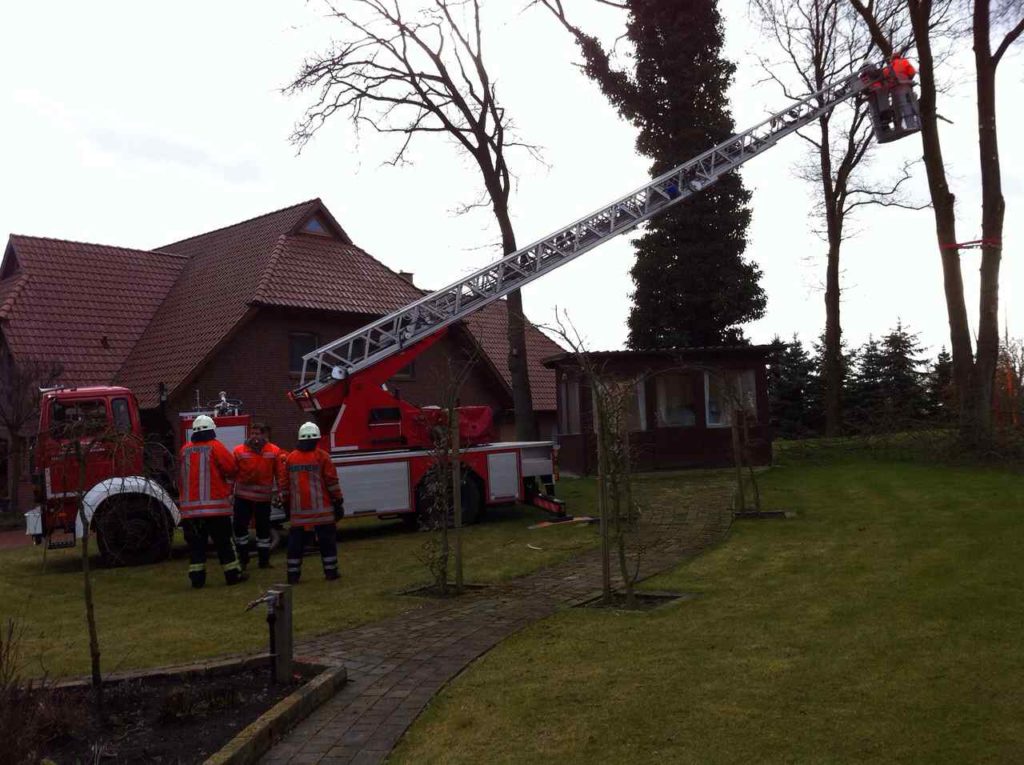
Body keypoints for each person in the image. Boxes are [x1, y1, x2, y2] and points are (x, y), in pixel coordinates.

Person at [179, 415, 246, 588]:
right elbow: (231, 468)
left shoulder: (185, 449)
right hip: (216, 509)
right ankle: (233, 575)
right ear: (211, 429)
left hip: (190, 512)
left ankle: (197, 579)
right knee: (224, 544)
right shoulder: (215, 447)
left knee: (196, 547)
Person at [281, 422, 344, 584]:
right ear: (316, 438)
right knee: (327, 544)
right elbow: (332, 482)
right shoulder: (322, 456)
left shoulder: (291, 458)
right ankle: (331, 572)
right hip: (322, 511)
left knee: (295, 546)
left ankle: (293, 575)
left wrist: (286, 505)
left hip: (299, 514)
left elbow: (285, 485)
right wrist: (338, 500)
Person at [232, 423, 286, 569]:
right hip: (242, 497)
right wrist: (229, 493)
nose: (254, 437)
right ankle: (243, 559)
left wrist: (281, 492)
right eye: (252, 433)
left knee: (263, 529)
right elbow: (232, 473)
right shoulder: (238, 451)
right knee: (240, 528)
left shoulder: (274, 451)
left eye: (257, 434)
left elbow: (280, 473)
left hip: (263, 498)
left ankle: (264, 560)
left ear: (264, 435)